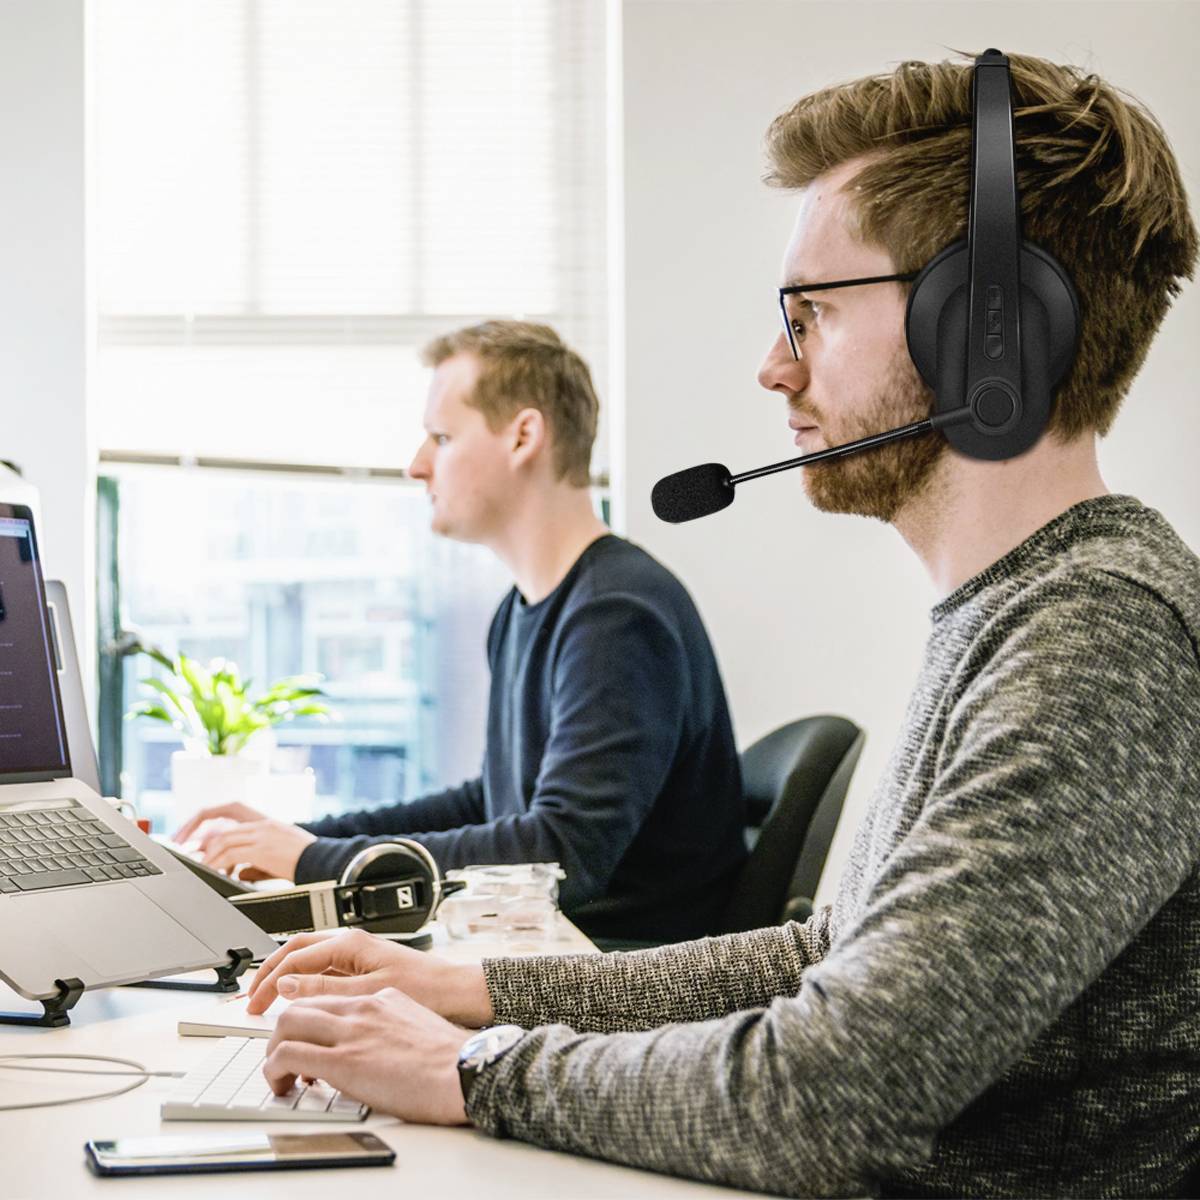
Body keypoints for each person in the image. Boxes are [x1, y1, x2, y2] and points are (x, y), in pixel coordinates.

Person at [242, 53, 1199, 1197]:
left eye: (812, 315)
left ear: (987, 338)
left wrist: (471, 1068)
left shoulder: (1098, 641)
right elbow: (823, 959)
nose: (771, 367)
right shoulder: (1016, 612)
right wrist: (472, 990)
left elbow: (827, 1095)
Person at [175, 320, 747, 945]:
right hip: (552, 953)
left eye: (442, 437)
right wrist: (306, 838)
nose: (416, 466)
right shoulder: (525, 610)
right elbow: (492, 803)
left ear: (524, 436)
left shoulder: (618, 616)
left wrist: (313, 862)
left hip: (616, 979)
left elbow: (559, 856)